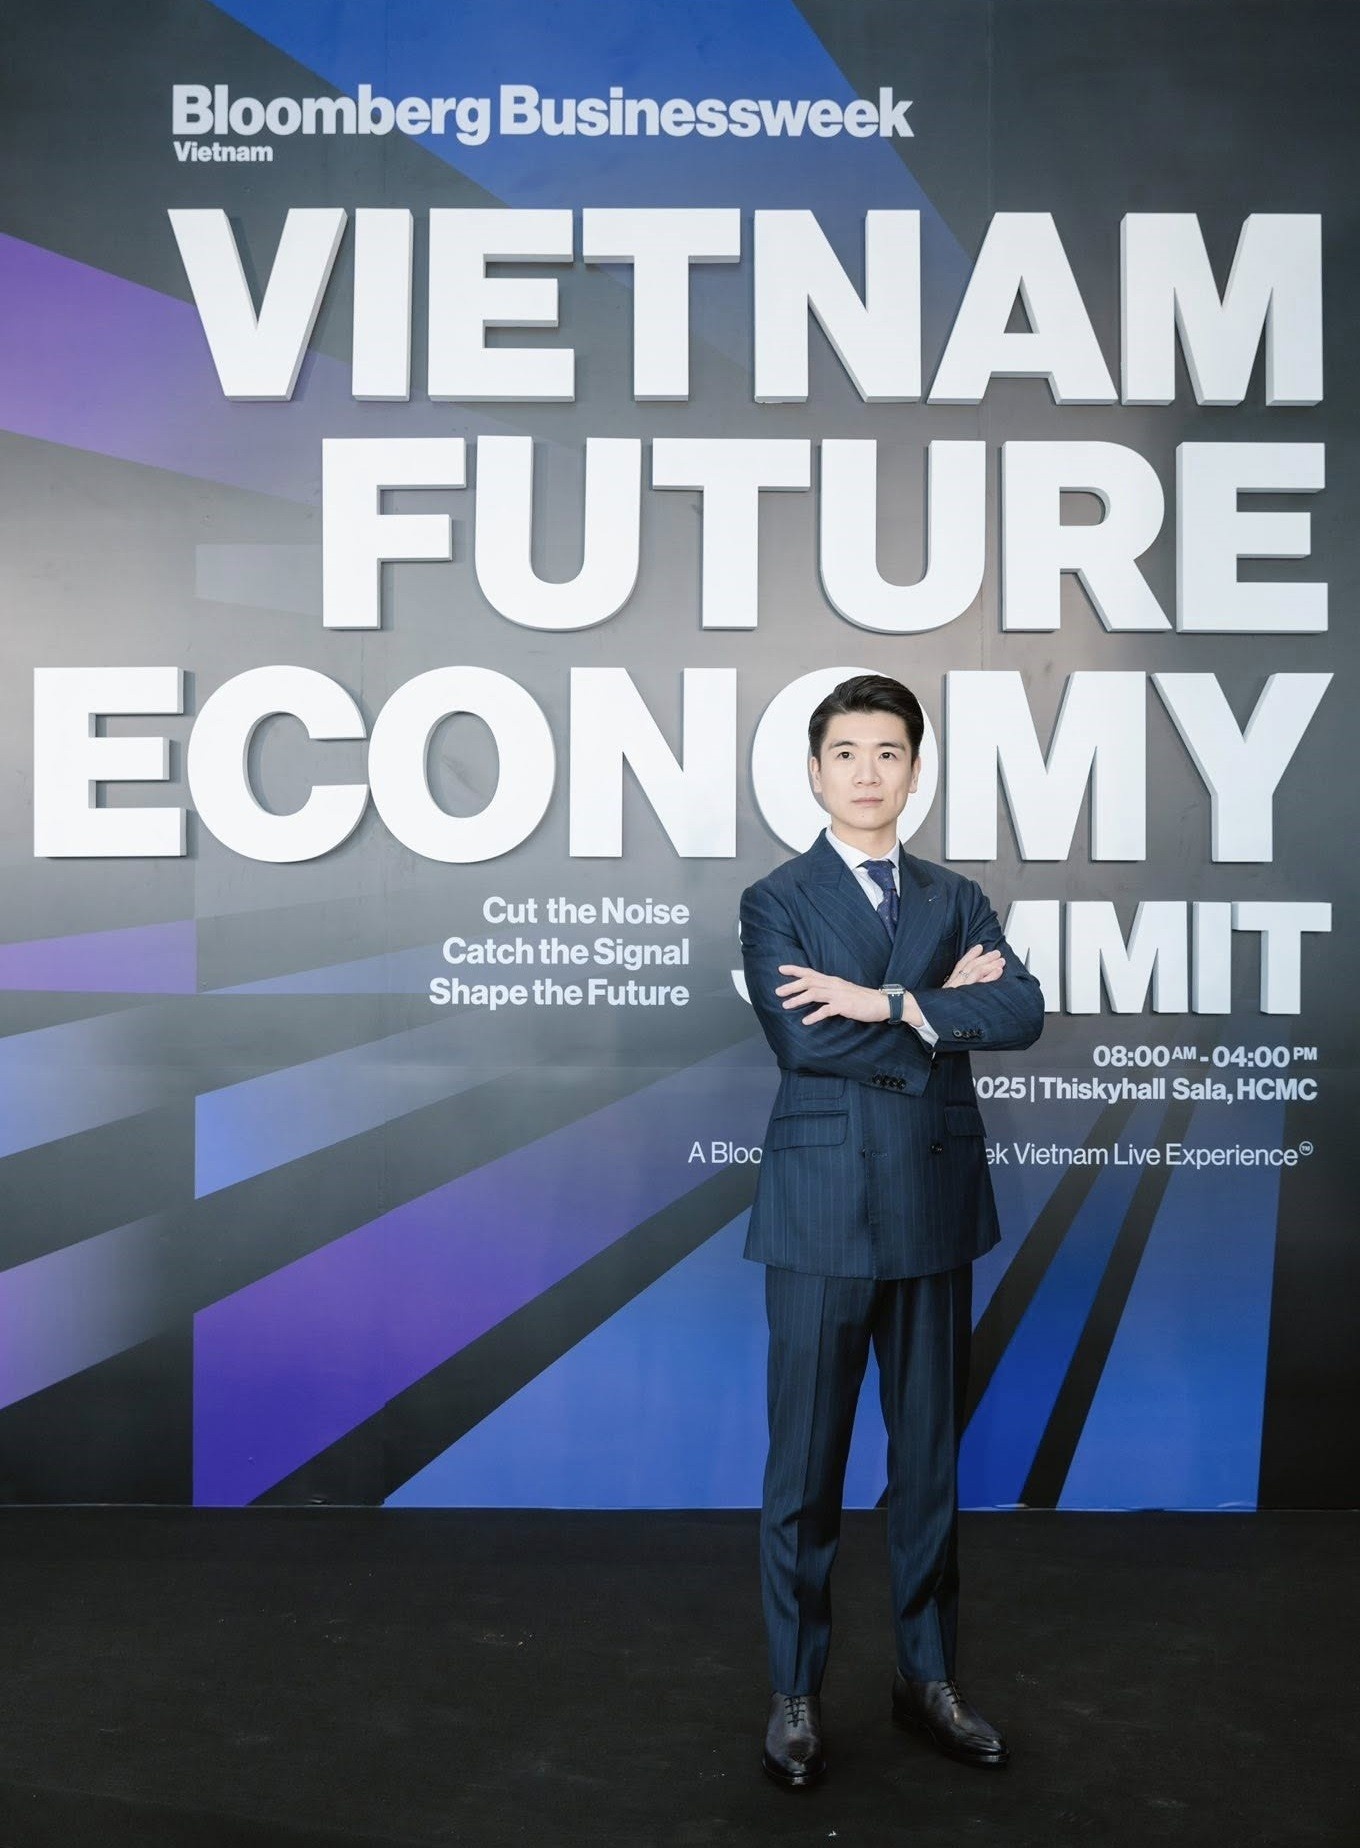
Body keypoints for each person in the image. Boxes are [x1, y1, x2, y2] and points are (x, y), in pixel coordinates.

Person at [739, 673, 1045, 1789]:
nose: (867, 773)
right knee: (804, 1472)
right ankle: (795, 1694)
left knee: (927, 1469)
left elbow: (1022, 1010)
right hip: (820, 1215)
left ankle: (929, 1680)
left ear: (915, 771)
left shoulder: (957, 897)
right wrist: (940, 1012)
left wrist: (889, 1001)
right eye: (847, 754)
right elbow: (803, 1043)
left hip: (932, 1209)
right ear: (814, 773)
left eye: (888, 753)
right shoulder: (776, 899)